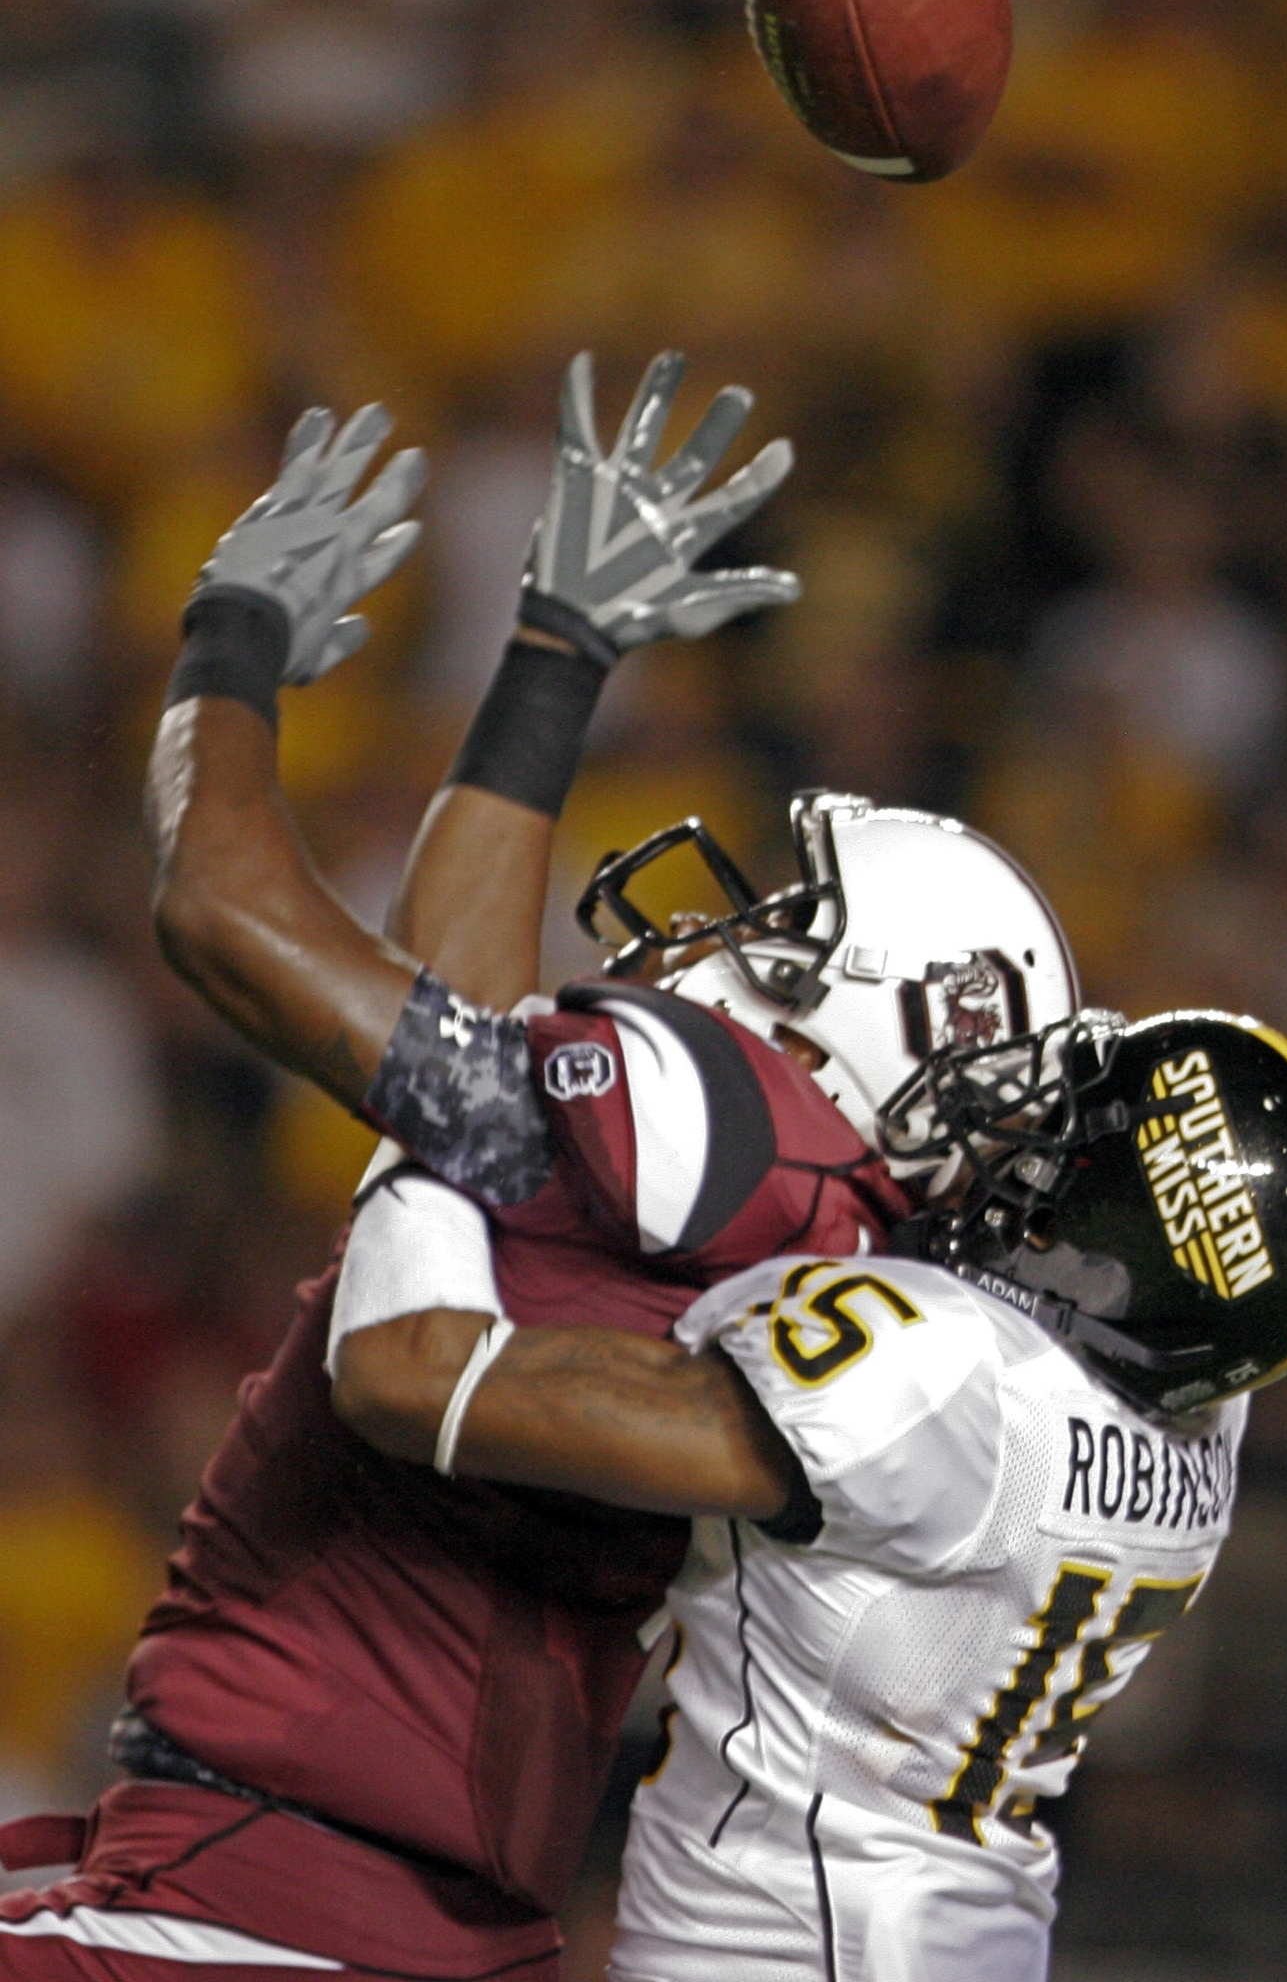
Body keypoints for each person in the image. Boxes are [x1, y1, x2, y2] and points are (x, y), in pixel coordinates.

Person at [0, 352, 1070, 1979]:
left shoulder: (716, 1119)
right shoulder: (830, 1246)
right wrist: (555, 663)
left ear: (884, 1023)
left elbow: (224, 915)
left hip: (257, 1902)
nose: (747, 937)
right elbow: (468, 1034)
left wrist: (231, 640)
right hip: (417, 1917)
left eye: (797, 931)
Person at [328, 999, 1287, 1982]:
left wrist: (444, 1125)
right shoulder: (1200, 1412)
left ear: (1112, 1242)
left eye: (1066, 1144)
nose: (1024, 1145)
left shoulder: (945, 1379)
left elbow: (412, 1373)